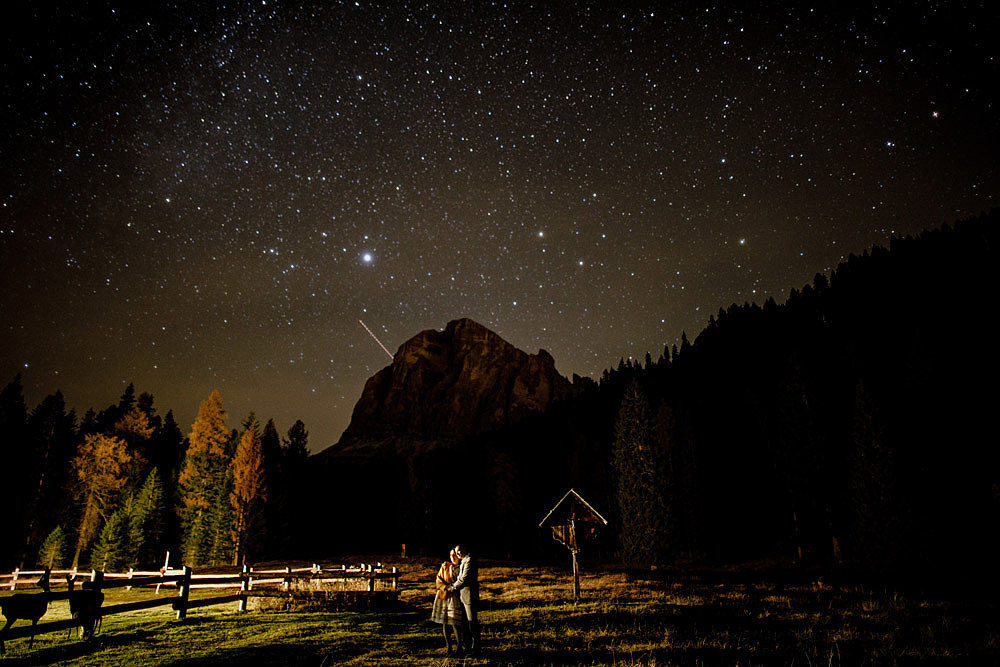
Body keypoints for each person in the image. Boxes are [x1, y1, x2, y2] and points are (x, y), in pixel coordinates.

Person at [430, 548, 465, 654]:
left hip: (455, 597)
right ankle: (448, 646)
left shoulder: (461, 567)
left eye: (455, 555)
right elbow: (438, 580)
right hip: (444, 595)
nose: (453, 557)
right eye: (451, 555)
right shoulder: (445, 566)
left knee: (455, 622)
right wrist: (445, 587)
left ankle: (459, 645)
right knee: (445, 622)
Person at [450, 543, 480, 653]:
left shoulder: (469, 560)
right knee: (466, 623)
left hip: (469, 596)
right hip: (464, 596)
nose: (458, 553)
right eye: (457, 552)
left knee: (472, 622)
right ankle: (469, 646)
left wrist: (452, 587)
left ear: (465, 549)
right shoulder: (463, 561)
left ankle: (476, 647)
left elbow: (464, 578)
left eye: (460, 550)